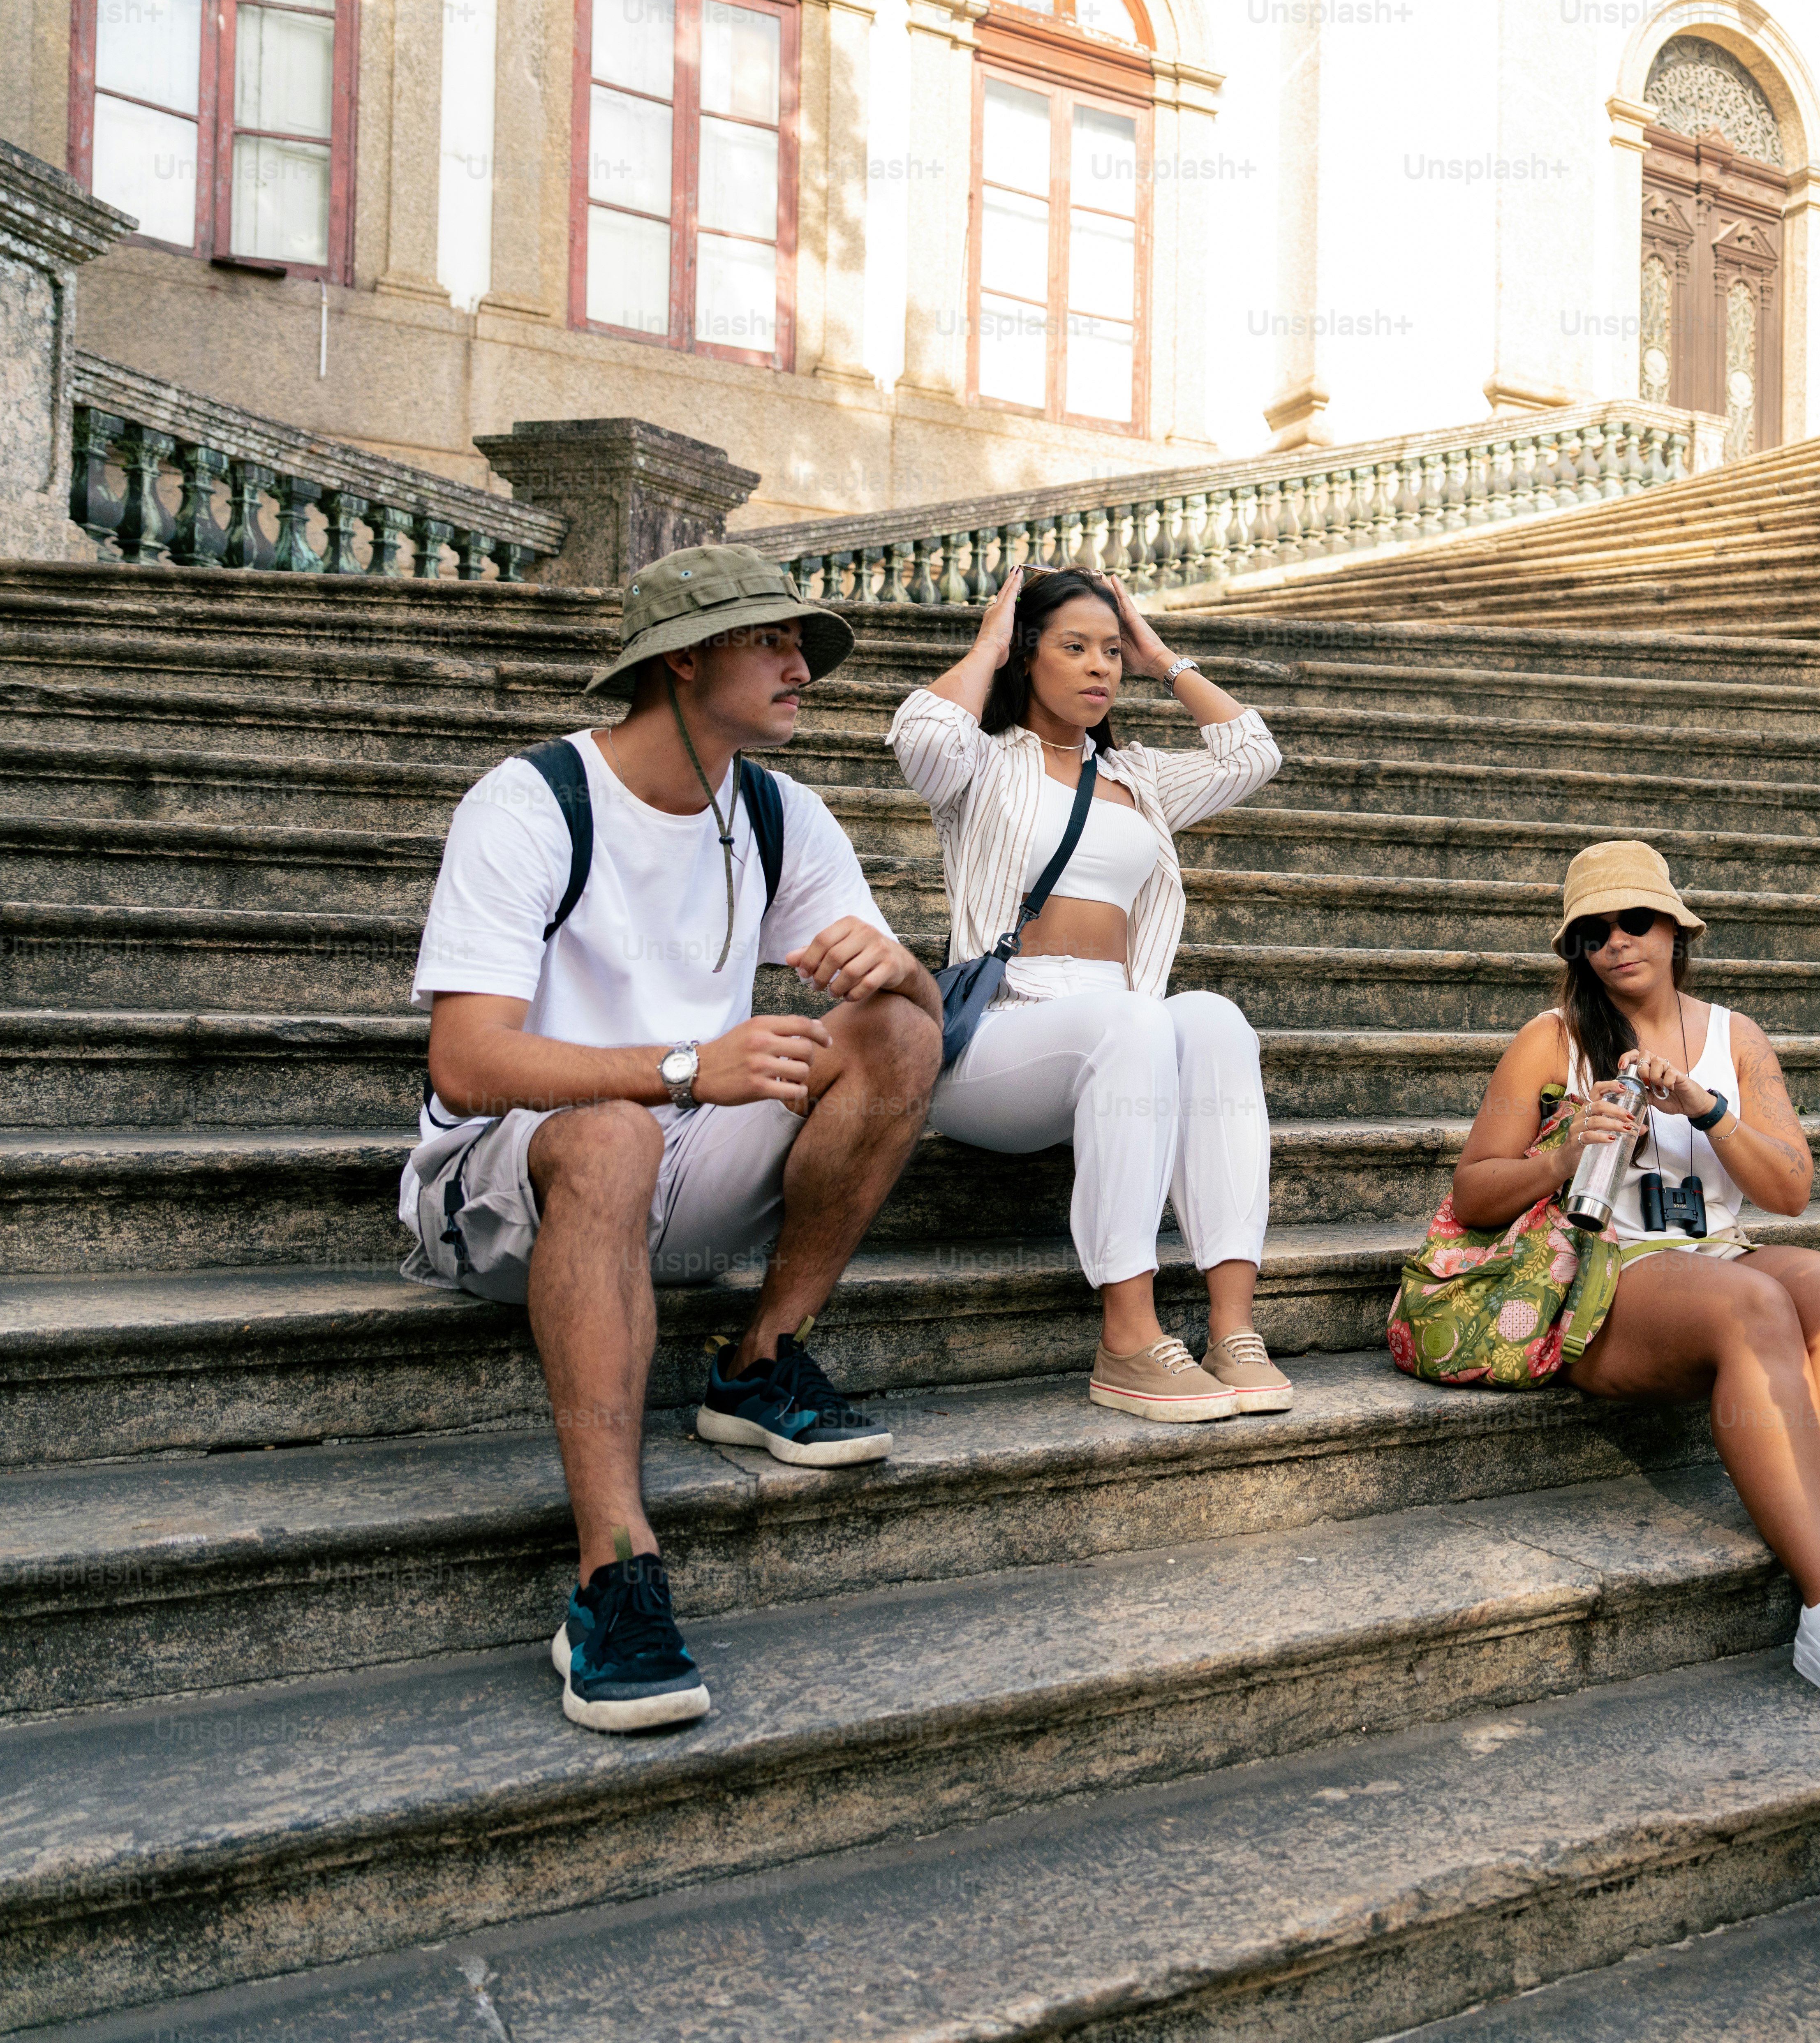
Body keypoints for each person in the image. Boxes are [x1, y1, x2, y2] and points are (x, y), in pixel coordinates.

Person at [406, 543, 945, 1733]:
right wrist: (687, 1069)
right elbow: (468, 1060)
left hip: (673, 1161)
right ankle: (614, 1572)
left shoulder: (776, 810)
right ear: (684, 658)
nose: (803, 666)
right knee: (608, 1136)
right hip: (500, 1187)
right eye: (773, 641)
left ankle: (760, 1357)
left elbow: (911, 1023)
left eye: (801, 644)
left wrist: (899, 967)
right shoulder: (532, 801)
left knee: (896, 1037)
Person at [1437, 840, 1820, 1725]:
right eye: (1591, 934)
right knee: (1754, 1302)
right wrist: (1569, 1148)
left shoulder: (1734, 1037)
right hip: (1604, 1277)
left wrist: (1707, 1111)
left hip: (1716, 1250)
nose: (1616, 943)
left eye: (1635, 921)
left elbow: (1789, 1190)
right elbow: (1473, 1191)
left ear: (1677, 931)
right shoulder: (1552, 1040)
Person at [888, 564, 1285, 1422]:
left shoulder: (1139, 777)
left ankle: (1231, 1327)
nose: (1100, 667)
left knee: (1212, 1018)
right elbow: (920, 734)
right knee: (1132, 1023)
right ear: (1028, 656)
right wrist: (991, 641)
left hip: (1118, 1027)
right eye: (1075, 648)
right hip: (1001, 1035)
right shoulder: (982, 767)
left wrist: (1159, 655)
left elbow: (1254, 753)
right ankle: (1129, 1338)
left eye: (1110, 652)